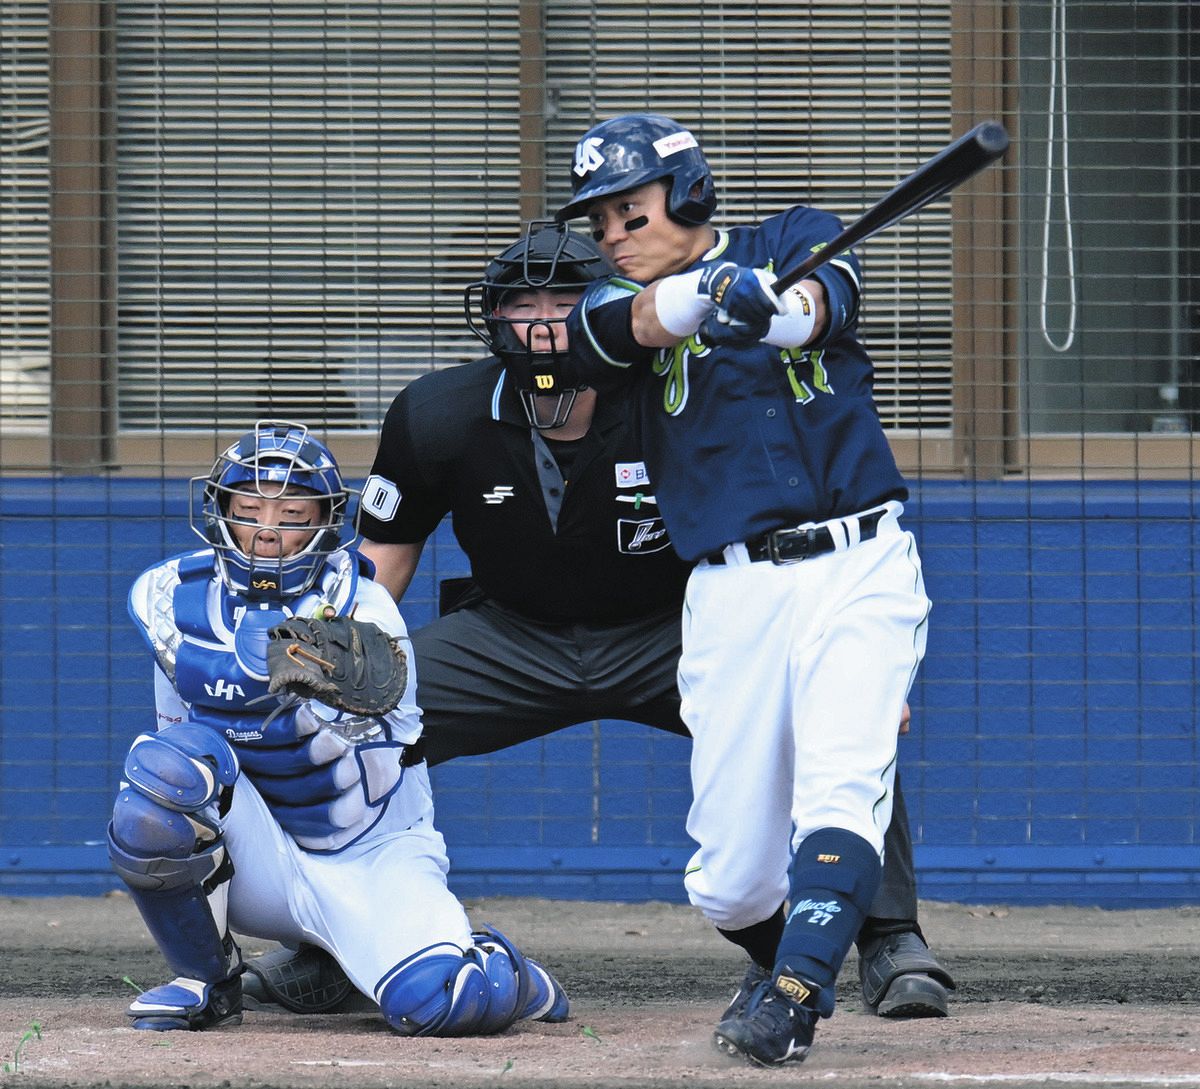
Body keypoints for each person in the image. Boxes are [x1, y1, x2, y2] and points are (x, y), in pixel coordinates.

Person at [242, 223, 953, 1025]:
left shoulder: (676, 392)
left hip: (673, 630)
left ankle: (890, 938)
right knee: (342, 729)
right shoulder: (439, 412)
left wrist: (847, 666)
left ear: (612, 311)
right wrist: (332, 659)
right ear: (492, 318)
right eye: (522, 303)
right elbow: (382, 559)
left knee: (838, 727)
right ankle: (339, 940)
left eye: (565, 300)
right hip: (511, 639)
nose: (543, 322)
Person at [553, 112, 937, 1065]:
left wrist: (771, 307)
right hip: (730, 593)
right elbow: (614, 331)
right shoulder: (616, 299)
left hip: (858, 565)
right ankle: (788, 956)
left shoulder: (791, 238)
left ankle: (795, 1000)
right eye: (598, 221)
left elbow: (822, 303)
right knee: (726, 878)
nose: (612, 235)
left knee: (841, 783)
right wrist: (694, 299)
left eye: (628, 211)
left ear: (686, 194)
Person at [108, 419, 568, 1035]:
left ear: (325, 519)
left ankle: (496, 968)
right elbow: (178, 730)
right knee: (162, 778)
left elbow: (380, 702)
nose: (268, 531)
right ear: (220, 511)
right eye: (249, 508)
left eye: (293, 513)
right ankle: (206, 982)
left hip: (370, 852)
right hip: (260, 859)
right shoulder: (169, 598)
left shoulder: (363, 604)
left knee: (449, 1004)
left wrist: (295, 660)